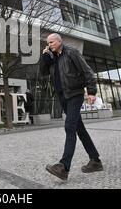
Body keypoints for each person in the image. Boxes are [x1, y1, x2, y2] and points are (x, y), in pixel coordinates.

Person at [40, 33, 103, 181]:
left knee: (70, 127)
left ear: (59, 41)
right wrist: (44, 57)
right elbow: (43, 73)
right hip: (63, 96)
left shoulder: (71, 52)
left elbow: (87, 71)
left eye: (52, 42)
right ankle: (95, 161)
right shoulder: (52, 58)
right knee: (79, 129)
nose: (50, 45)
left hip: (75, 94)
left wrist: (92, 91)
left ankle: (64, 167)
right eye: (48, 43)